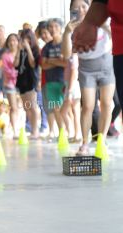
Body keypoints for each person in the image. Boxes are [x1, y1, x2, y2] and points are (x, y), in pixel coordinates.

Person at [64, 0, 115, 156]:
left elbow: (116, 38)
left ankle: (102, 140)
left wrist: (105, 26)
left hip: (106, 64)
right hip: (86, 69)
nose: (81, 10)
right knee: (88, 106)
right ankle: (84, 143)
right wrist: (66, 32)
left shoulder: (103, 19)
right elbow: (67, 55)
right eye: (76, 8)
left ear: (91, 7)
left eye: (84, 6)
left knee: (107, 103)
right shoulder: (73, 27)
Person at [14, 29, 40, 139]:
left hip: (31, 80)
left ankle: (35, 131)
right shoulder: (20, 50)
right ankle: (32, 130)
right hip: (21, 80)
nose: (24, 41)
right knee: (26, 107)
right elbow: (15, 65)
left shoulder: (35, 49)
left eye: (26, 39)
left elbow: (33, 63)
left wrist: (28, 48)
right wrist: (18, 51)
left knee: (32, 106)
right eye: (22, 39)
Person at [41, 18, 66, 135]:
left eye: (55, 26)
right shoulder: (47, 47)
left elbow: (66, 63)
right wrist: (58, 61)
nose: (52, 29)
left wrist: (51, 60)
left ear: (61, 28)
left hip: (64, 80)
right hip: (50, 82)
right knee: (55, 108)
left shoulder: (65, 44)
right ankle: (62, 133)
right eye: (50, 27)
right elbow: (43, 66)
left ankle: (71, 132)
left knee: (66, 109)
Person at [61, 21, 82, 143]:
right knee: (75, 111)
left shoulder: (73, 56)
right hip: (72, 85)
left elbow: (74, 72)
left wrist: (69, 91)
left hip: (73, 85)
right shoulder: (73, 55)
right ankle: (76, 134)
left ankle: (72, 133)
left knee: (65, 111)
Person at [36, 21, 56, 141]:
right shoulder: (44, 48)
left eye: (45, 33)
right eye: (42, 33)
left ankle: (68, 132)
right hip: (45, 81)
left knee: (60, 108)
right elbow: (41, 65)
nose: (44, 36)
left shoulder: (57, 46)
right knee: (48, 108)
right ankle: (52, 131)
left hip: (56, 81)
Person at [1, 33, 19, 137]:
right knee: (14, 108)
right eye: (10, 40)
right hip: (10, 84)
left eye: (14, 40)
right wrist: (17, 73)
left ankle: (20, 128)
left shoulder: (22, 53)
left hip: (23, 84)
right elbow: (7, 71)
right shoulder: (5, 56)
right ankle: (15, 131)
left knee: (22, 107)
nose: (12, 42)